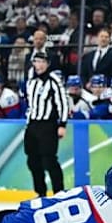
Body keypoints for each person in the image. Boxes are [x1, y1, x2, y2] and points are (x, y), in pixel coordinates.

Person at [25, 52, 70, 197]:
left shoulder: (53, 80)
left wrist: (62, 124)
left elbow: (63, 103)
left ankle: (59, 193)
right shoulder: (31, 81)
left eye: (42, 62)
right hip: (33, 124)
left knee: (49, 160)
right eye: (36, 61)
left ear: (47, 64)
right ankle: (40, 192)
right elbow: (30, 103)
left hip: (48, 125)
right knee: (32, 161)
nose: (39, 65)